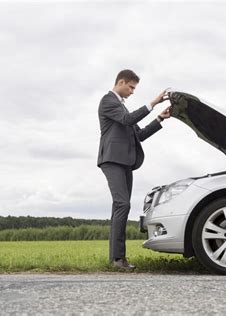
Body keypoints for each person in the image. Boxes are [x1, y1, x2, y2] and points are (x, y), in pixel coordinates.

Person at [97, 69, 171, 270]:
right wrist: (153, 103)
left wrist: (159, 119)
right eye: (131, 87)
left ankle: (116, 259)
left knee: (121, 206)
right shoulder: (108, 101)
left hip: (125, 162)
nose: (132, 91)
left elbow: (140, 135)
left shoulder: (122, 108)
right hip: (112, 160)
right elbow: (127, 121)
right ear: (121, 82)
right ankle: (118, 259)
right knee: (122, 204)